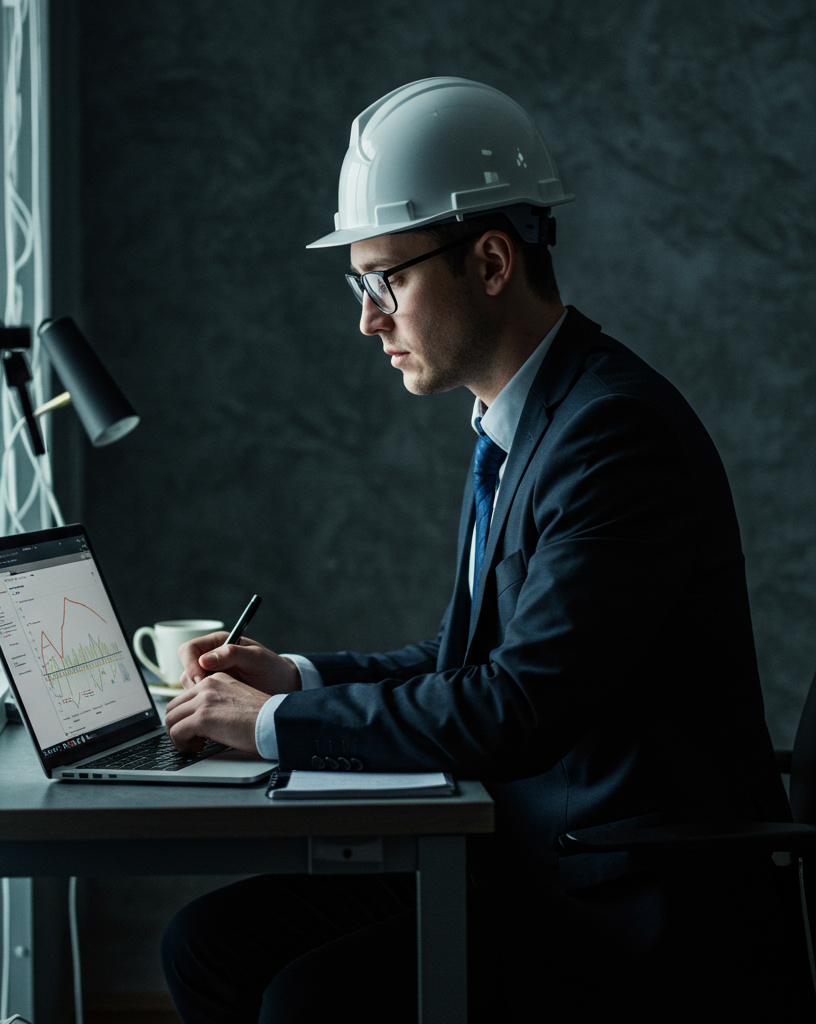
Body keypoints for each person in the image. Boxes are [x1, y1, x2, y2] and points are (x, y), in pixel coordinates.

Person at [159, 78, 801, 1022]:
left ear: (492, 260)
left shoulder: (611, 436)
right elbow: (481, 658)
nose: (368, 318)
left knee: (310, 1000)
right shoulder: (524, 420)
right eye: (361, 284)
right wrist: (298, 679)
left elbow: (517, 706)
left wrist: (261, 729)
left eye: (389, 280)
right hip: (536, 854)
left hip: (616, 896)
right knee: (210, 943)